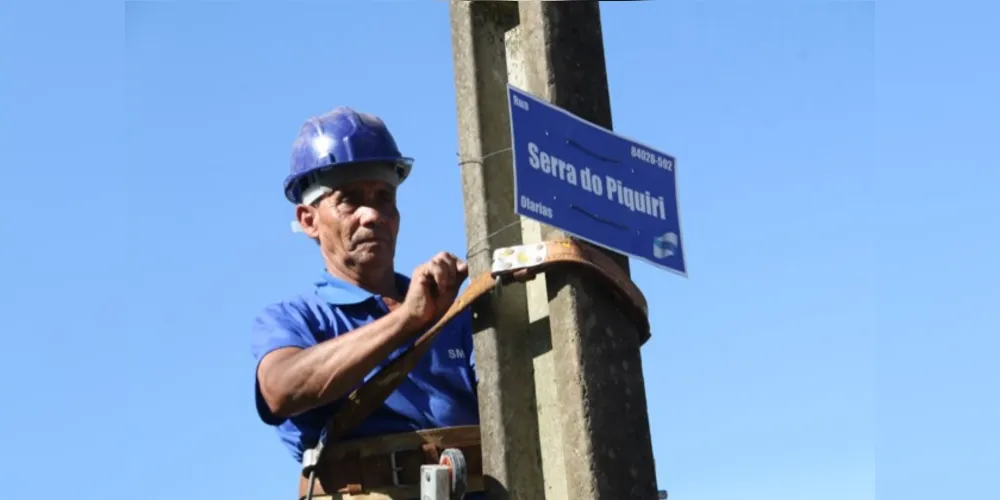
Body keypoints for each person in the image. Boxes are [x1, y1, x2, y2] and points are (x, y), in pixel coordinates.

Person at [250, 107, 481, 498]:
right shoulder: (297, 320)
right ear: (309, 220)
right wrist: (407, 320)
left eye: (384, 197)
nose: (372, 214)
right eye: (350, 200)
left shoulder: (455, 314)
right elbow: (280, 390)